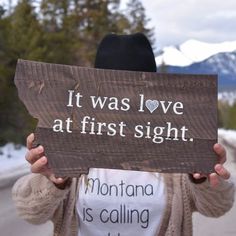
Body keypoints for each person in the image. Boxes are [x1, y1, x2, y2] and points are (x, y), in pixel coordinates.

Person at [12, 33, 235, 236]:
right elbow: (30, 212)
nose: (125, 102)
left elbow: (218, 207)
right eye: (113, 90)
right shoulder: (71, 142)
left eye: (137, 89)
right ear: (94, 92)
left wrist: (204, 180)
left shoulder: (176, 146)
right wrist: (53, 182)